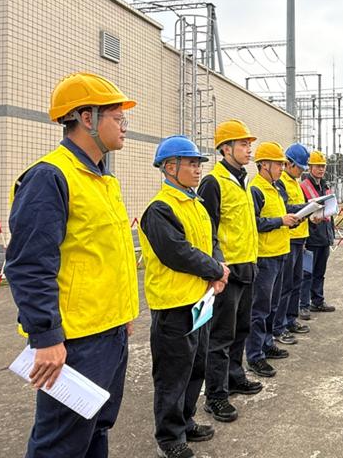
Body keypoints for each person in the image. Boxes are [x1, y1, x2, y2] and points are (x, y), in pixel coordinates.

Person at [5, 72, 139, 457]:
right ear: (86, 117)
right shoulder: (50, 177)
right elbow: (29, 265)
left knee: (97, 429)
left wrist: (123, 314)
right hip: (75, 341)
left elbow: (106, 256)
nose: (124, 126)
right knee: (61, 445)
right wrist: (46, 336)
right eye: (118, 117)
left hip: (109, 331)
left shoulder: (104, 179)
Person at [138, 136, 229, 458]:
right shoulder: (160, 209)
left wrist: (218, 269)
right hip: (173, 305)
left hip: (200, 301)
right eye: (190, 163)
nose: (197, 169)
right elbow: (177, 253)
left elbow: (211, 241)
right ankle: (169, 437)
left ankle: (185, 421)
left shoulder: (196, 205)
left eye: (197, 163)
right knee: (172, 375)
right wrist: (215, 270)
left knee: (195, 367)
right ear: (169, 167)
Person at [197, 119, 263, 425]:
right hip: (227, 271)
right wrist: (217, 267)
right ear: (225, 148)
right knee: (220, 337)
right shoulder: (214, 182)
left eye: (249, 145)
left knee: (241, 329)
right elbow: (207, 229)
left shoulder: (243, 180)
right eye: (243, 144)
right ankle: (215, 395)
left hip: (248, 264)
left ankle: (235, 377)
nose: (249, 150)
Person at [245, 142, 299, 377]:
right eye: (278, 164)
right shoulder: (256, 189)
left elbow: (280, 213)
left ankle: (267, 344)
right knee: (260, 308)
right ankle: (255, 355)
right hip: (264, 256)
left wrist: (294, 217)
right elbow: (254, 223)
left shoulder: (275, 188)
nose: (282, 168)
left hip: (280, 252)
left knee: (273, 305)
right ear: (264, 165)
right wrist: (280, 221)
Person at [273, 143, 314, 341]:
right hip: (287, 239)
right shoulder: (280, 183)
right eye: (299, 167)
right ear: (289, 164)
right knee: (285, 285)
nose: (301, 172)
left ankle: (290, 319)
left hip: (299, 238)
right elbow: (285, 209)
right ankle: (278, 326)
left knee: (296, 282)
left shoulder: (295, 182)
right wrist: (307, 207)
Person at [299, 150, 336, 316]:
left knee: (320, 272)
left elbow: (329, 213)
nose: (321, 169)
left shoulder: (325, 186)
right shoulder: (303, 187)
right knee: (307, 272)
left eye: (323, 166)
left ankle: (317, 301)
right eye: (318, 166)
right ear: (310, 167)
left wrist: (331, 235)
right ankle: (303, 305)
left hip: (324, 236)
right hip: (311, 237)